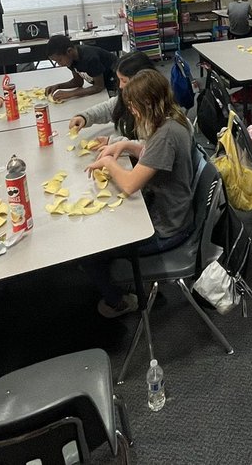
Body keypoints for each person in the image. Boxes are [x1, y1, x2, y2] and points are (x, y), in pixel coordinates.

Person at [83, 70, 197, 318]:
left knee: (90, 251)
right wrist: (124, 145)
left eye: (133, 106)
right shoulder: (172, 119)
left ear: (145, 104)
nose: (131, 111)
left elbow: (130, 184)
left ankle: (119, 302)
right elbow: (151, 151)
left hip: (167, 227)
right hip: (172, 211)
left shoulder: (165, 134)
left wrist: (110, 164)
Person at [68, 50, 157, 140]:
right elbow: (109, 108)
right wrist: (85, 117)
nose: (120, 86)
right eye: (119, 80)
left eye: (124, 81)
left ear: (142, 81)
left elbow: (149, 146)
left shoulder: (155, 110)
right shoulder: (130, 96)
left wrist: (114, 142)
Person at [45, 34, 118, 100]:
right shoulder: (70, 60)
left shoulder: (90, 58)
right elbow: (78, 82)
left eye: (60, 60)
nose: (59, 64)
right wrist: (58, 86)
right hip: (105, 87)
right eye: (56, 62)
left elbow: (99, 86)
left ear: (69, 51)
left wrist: (70, 94)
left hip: (115, 84)